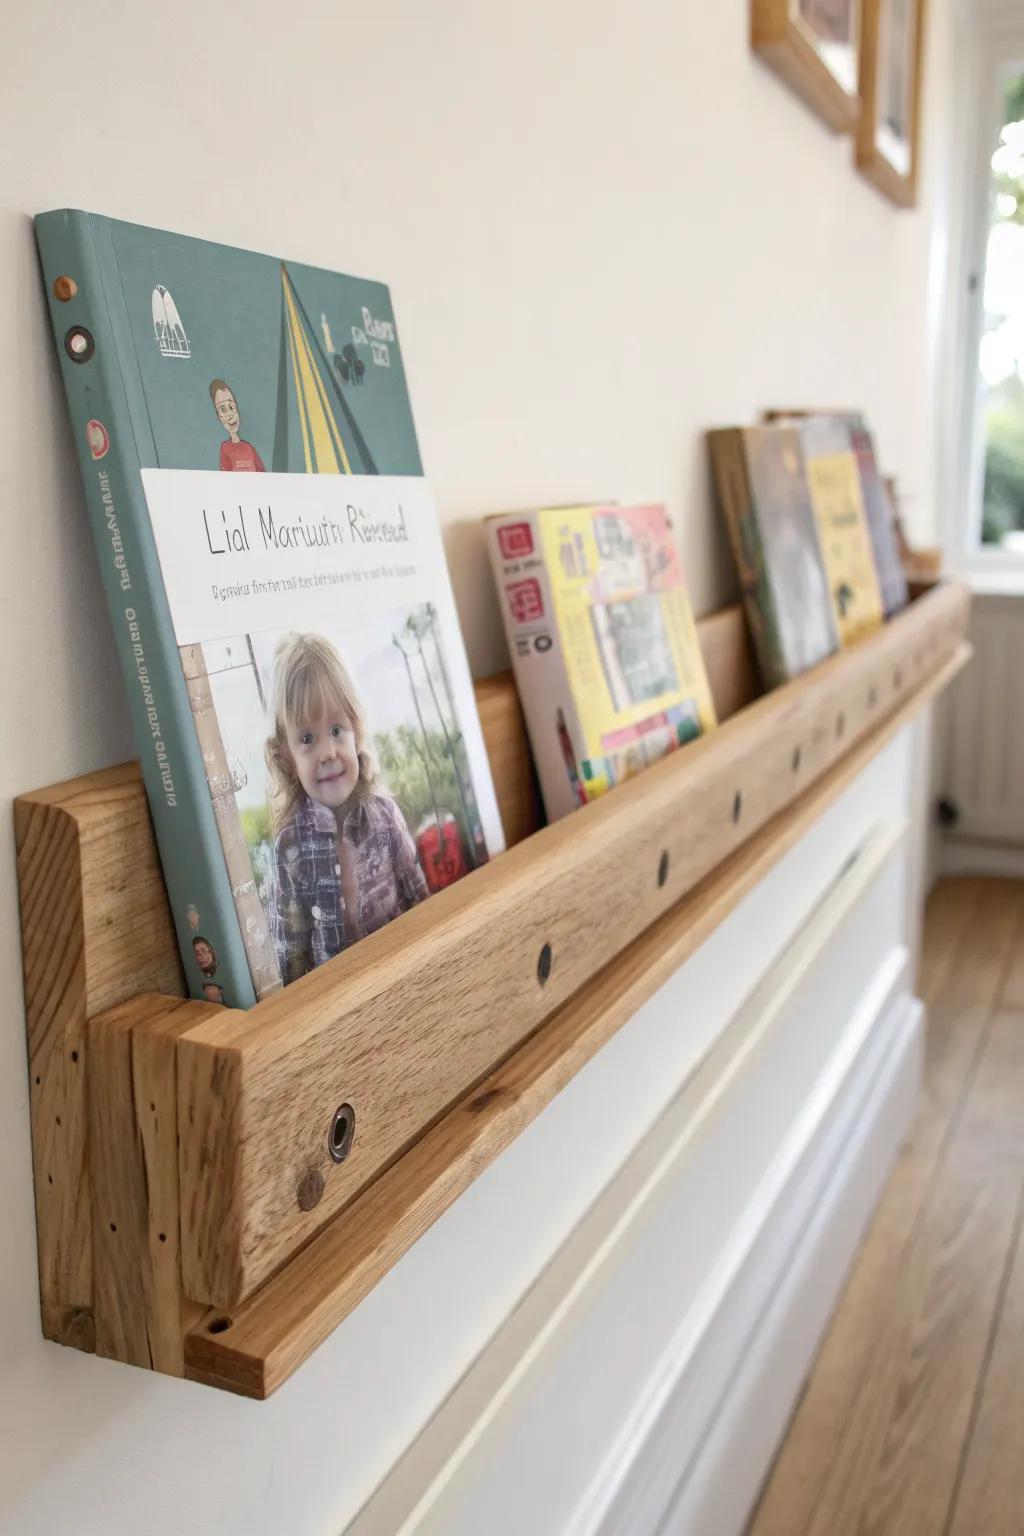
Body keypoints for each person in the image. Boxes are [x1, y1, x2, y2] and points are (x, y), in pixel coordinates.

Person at [265, 632, 428, 984]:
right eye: (307, 739)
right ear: (286, 755)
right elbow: (290, 958)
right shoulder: (289, 848)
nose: (327, 752)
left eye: (337, 729)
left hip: (405, 982)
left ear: (355, 728)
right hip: (336, 1011)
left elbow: (423, 903)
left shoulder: (385, 817)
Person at [209, 378, 265, 472]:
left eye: (231, 406)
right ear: (219, 416)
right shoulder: (225, 448)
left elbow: (263, 473)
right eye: (222, 409)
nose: (230, 414)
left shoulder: (249, 447)